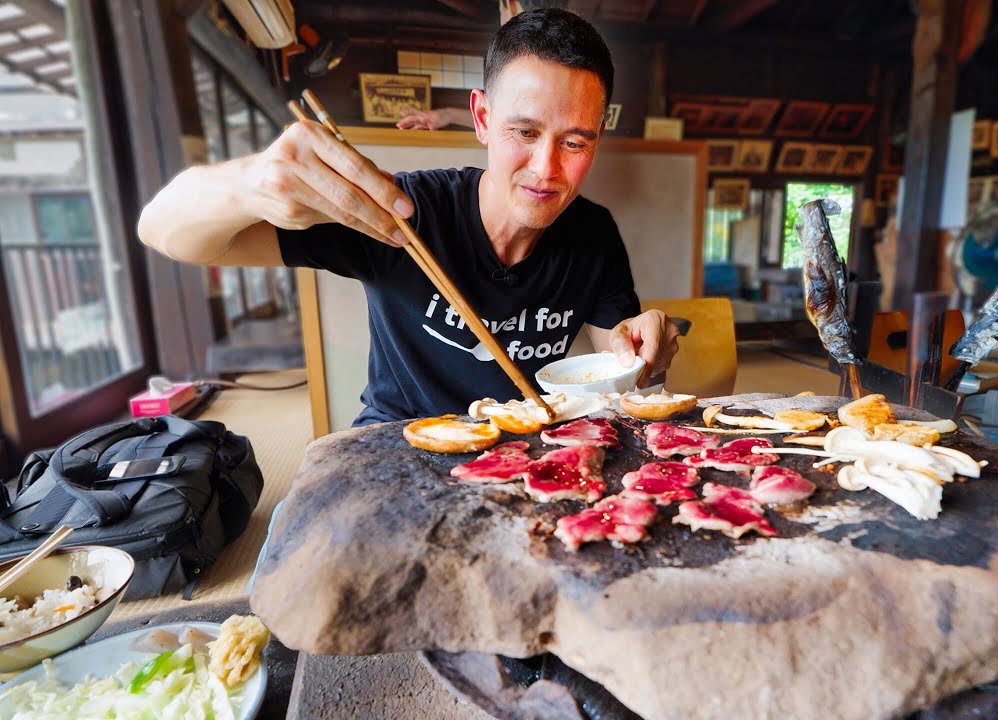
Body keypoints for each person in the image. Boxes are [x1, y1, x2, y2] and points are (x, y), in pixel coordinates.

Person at [138, 9, 678, 427]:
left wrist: (641, 343)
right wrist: (247, 183)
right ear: (483, 119)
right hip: (399, 443)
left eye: (575, 142)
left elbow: (616, 355)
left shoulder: (593, 232)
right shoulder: (401, 213)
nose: (546, 169)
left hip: (523, 447)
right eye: (525, 132)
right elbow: (165, 233)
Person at [396, 0, 569, 131]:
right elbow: (503, 118)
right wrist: (446, 115)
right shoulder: (567, 52)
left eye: (500, 9)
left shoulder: (527, 60)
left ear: (511, 5)